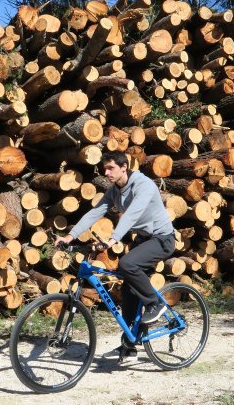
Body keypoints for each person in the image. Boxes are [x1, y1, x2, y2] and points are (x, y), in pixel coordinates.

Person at [54, 151, 175, 362]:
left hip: (162, 238)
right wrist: (70, 235)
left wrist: (113, 239)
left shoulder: (143, 185)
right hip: (145, 239)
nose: (106, 172)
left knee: (128, 263)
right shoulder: (114, 191)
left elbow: (133, 214)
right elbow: (94, 212)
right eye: (105, 169)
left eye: (110, 168)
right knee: (129, 287)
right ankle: (129, 344)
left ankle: (156, 303)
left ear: (124, 167)